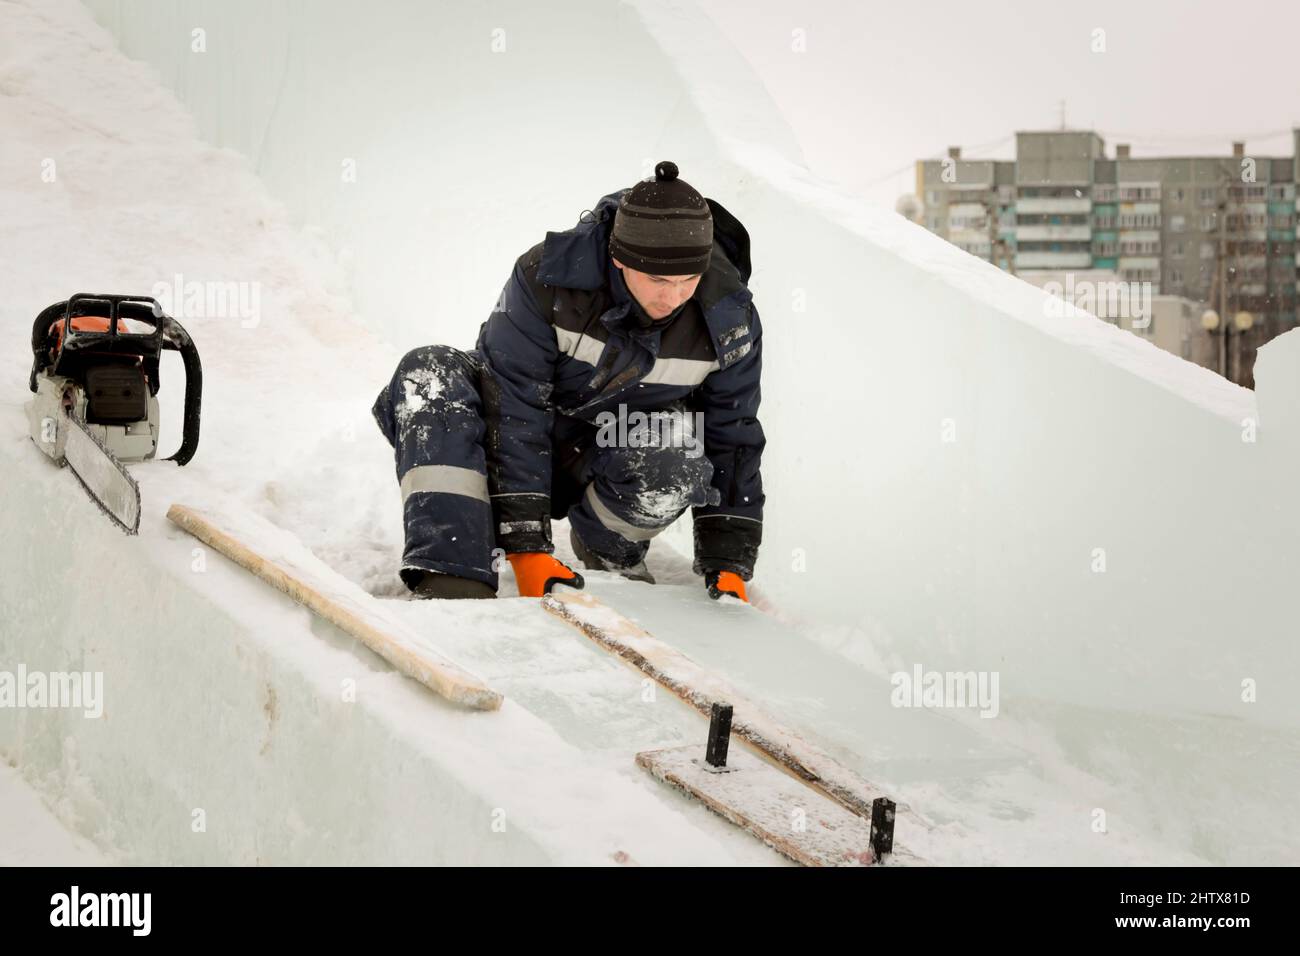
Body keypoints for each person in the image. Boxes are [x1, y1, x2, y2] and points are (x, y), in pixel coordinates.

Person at [372, 161, 764, 601]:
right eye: (658, 279)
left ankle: (610, 550)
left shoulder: (729, 320)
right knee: (429, 372)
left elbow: (734, 435)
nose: (672, 297)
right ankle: (455, 570)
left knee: (678, 448)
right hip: (504, 435)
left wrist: (728, 561)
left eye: (688, 279)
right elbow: (514, 402)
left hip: (605, 447)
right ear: (620, 259)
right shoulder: (548, 279)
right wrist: (526, 547)